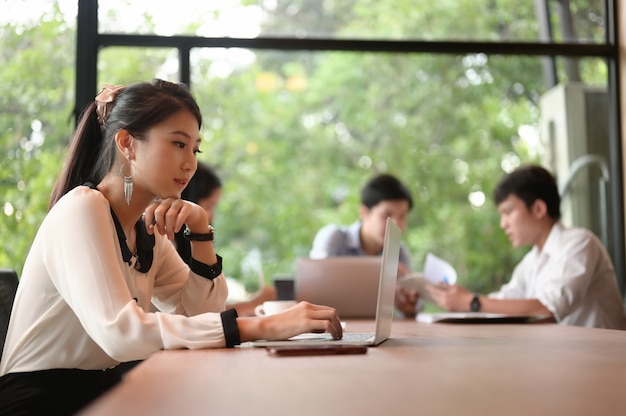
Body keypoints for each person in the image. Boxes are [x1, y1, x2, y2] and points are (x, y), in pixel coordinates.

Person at [0, 79, 342, 415]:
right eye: (178, 144)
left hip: (105, 395)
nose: (190, 162)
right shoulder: (82, 207)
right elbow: (120, 332)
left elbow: (202, 317)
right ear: (127, 144)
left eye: (195, 148)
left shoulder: (144, 231)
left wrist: (200, 230)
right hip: (38, 402)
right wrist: (262, 326)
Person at [427, 164, 626, 330]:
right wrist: (457, 299)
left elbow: (548, 310)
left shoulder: (579, 243)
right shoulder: (531, 261)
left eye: (508, 212)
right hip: (566, 363)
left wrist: (472, 302)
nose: (503, 224)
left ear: (539, 209)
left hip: (604, 365)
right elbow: (505, 301)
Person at [173, 161, 276, 316]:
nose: (211, 215)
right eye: (208, 206)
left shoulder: (183, 247)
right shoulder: (163, 241)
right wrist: (254, 303)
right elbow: (201, 318)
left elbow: (206, 307)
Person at [310, 173, 419, 317]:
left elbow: (414, 312)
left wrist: (408, 306)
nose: (397, 224)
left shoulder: (399, 252)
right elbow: (315, 290)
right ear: (364, 212)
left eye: (402, 216)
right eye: (387, 215)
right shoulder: (334, 239)